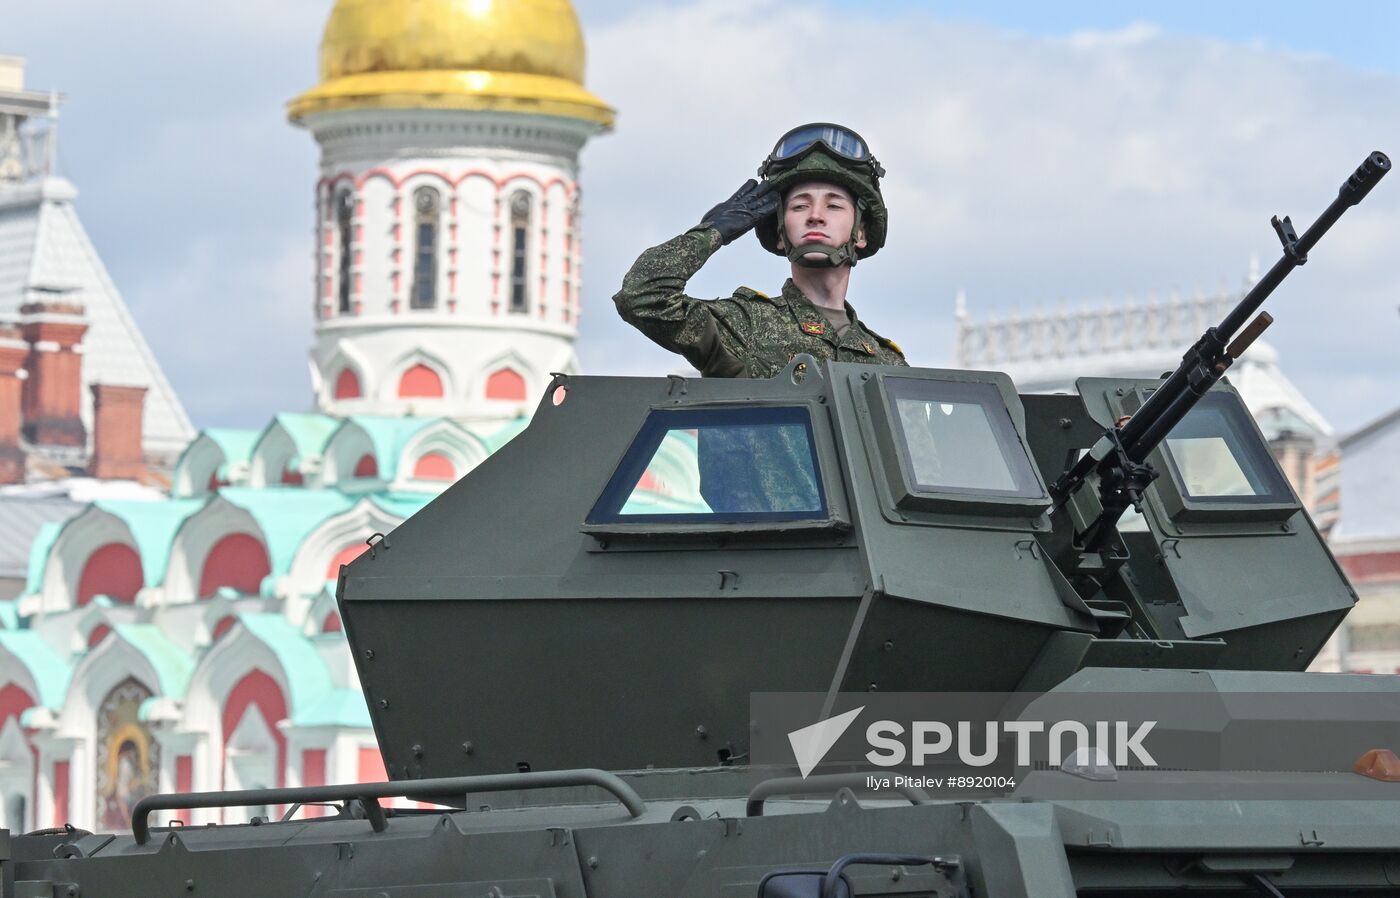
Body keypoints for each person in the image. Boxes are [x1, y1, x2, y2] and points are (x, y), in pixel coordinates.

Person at [614, 123, 907, 378]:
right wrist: (712, 233)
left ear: (861, 233)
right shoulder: (745, 327)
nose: (815, 215)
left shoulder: (887, 363)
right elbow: (641, 297)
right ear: (780, 234)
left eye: (833, 205)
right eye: (800, 206)